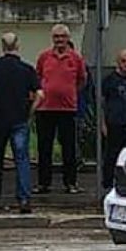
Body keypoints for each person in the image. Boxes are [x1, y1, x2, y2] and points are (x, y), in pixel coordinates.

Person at [0, 32, 42, 213]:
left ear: (2, 46)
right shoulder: (27, 69)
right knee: (21, 159)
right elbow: (40, 94)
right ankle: (24, 199)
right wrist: (30, 112)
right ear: (17, 46)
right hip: (20, 119)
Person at [35, 23, 87, 194]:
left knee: (68, 148)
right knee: (44, 148)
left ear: (68, 38)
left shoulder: (76, 58)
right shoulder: (44, 57)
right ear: (52, 39)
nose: (59, 40)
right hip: (45, 108)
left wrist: (69, 93)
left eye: (62, 37)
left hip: (67, 109)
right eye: (56, 37)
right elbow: (38, 77)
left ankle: (70, 183)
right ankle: (43, 183)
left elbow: (81, 80)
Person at [100, 49, 126, 192]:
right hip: (114, 124)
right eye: (123, 61)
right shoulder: (109, 80)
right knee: (112, 155)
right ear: (118, 62)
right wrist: (102, 123)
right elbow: (101, 103)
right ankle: (108, 184)